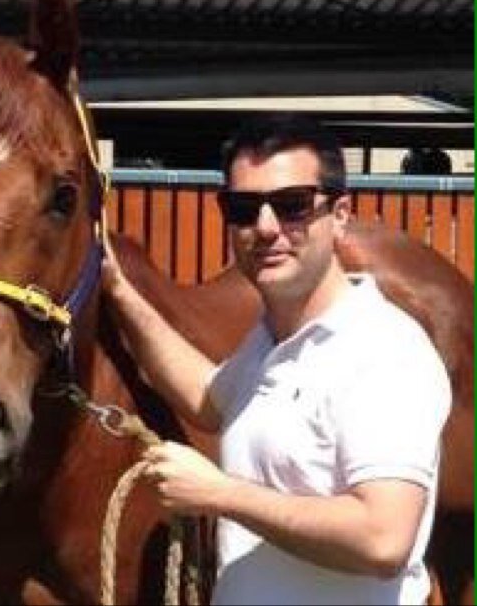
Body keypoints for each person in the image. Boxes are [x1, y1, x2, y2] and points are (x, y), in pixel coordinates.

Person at [101, 114, 451, 605]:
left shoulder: (383, 351)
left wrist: (219, 494)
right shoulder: (270, 343)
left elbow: (382, 539)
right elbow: (209, 398)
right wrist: (118, 291)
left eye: (292, 206)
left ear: (341, 214)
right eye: (243, 209)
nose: (266, 228)